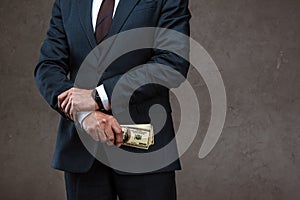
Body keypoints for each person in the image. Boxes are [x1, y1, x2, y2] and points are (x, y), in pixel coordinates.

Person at [34, 0, 191, 199]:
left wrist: (97, 97)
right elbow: (48, 66)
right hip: (82, 150)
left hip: (145, 151)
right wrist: (83, 115)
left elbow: (171, 64)